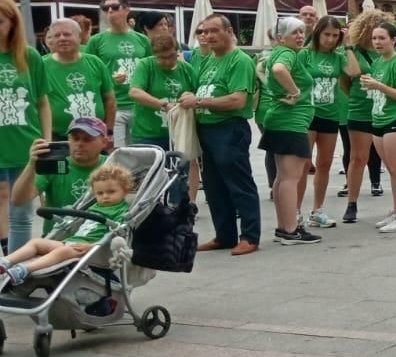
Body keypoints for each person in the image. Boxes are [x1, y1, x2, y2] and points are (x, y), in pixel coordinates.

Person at [185, 14, 261, 255]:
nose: (207, 36)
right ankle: (224, 235)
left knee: (239, 183)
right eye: (203, 31)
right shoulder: (208, 59)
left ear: (229, 31)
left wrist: (198, 101)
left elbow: (237, 100)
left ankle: (250, 236)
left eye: (213, 31)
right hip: (207, 127)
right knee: (214, 186)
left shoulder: (239, 60)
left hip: (229, 128)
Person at [0, 161, 135, 285]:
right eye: (100, 193)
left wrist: (92, 246)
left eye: (111, 192)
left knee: (62, 251)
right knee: (36, 242)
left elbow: (116, 234)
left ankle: (24, 269)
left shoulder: (122, 211)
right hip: (71, 243)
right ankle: (7, 261)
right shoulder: (93, 207)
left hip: (91, 250)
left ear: (125, 190)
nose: (105, 196)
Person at [0, 0, 52, 252]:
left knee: (20, 215)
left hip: (24, 145)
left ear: (12, 22)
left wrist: (47, 138)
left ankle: (12, 272)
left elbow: (42, 102)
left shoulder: (29, 56)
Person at [260, 17, 318, 246]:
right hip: (290, 121)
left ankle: (284, 227)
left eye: (302, 32)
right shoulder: (287, 54)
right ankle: (291, 229)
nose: (300, 36)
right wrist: (294, 91)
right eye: (294, 32)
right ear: (281, 37)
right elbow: (278, 69)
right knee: (291, 177)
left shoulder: (278, 52)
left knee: (283, 177)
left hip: (280, 119)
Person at [361, 20, 396, 234]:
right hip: (379, 119)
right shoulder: (377, 63)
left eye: (382, 38)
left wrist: (379, 86)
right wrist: (370, 86)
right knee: (393, 170)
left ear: (393, 40)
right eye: (374, 38)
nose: (377, 42)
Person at [340, 11, 389, 226]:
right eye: (375, 31)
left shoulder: (388, 53)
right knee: (358, 158)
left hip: (385, 109)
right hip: (360, 109)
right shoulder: (354, 51)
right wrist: (349, 47)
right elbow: (349, 76)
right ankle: (352, 202)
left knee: (390, 157)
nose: (377, 37)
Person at [299, 16, 348, 229]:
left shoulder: (338, 57)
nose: (330, 39)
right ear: (318, 33)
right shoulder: (305, 54)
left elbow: (354, 72)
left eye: (335, 36)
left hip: (330, 113)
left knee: (325, 164)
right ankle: (295, 211)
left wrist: (349, 46)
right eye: (326, 34)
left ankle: (317, 210)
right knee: (302, 164)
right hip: (308, 113)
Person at [87, 0, 151, 149]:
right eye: (105, 8)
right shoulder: (96, 40)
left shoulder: (143, 40)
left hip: (139, 106)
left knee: (140, 152)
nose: (110, 11)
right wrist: (109, 78)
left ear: (127, 10)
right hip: (114, 105)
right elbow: (90, 72)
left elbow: (151, 70)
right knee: (117, 154)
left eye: (115, 7)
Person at [43, 19, 116, 136]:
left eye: (67, 34)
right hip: (58, 139)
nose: (62, 38)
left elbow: (109, 99)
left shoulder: (95, 62)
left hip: (95, 136)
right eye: (57, 35)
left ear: (79, 37)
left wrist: (109, 131)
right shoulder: (42, 66)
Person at [128, 31, 197, 150]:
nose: (167, 61)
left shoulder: (187, 69)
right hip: (148, 135)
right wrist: (162, 104)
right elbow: (134, 92)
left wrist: (191, 95)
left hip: (179, 133)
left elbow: (197, 94)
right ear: (155, 55)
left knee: (179, 168)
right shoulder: (146, 65)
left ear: (177, 52)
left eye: (171, 56)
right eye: (162, 58)